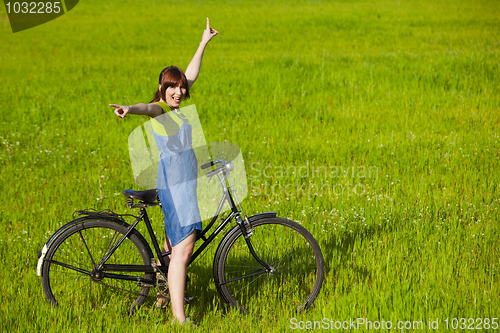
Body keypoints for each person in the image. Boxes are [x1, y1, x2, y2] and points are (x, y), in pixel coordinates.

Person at [110, 18, 218, 326]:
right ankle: (179, 318)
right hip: (177, 188)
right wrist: (130, 109)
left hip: (184, 184)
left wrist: (203, 42)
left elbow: (192, 73)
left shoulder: (177, 107)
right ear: (162, 88)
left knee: (173, 247)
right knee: (183, 252)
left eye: (182, 88)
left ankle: (161, 290)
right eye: (173, 87)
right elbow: (147, 107)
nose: (179, 92)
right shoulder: (159, 109)